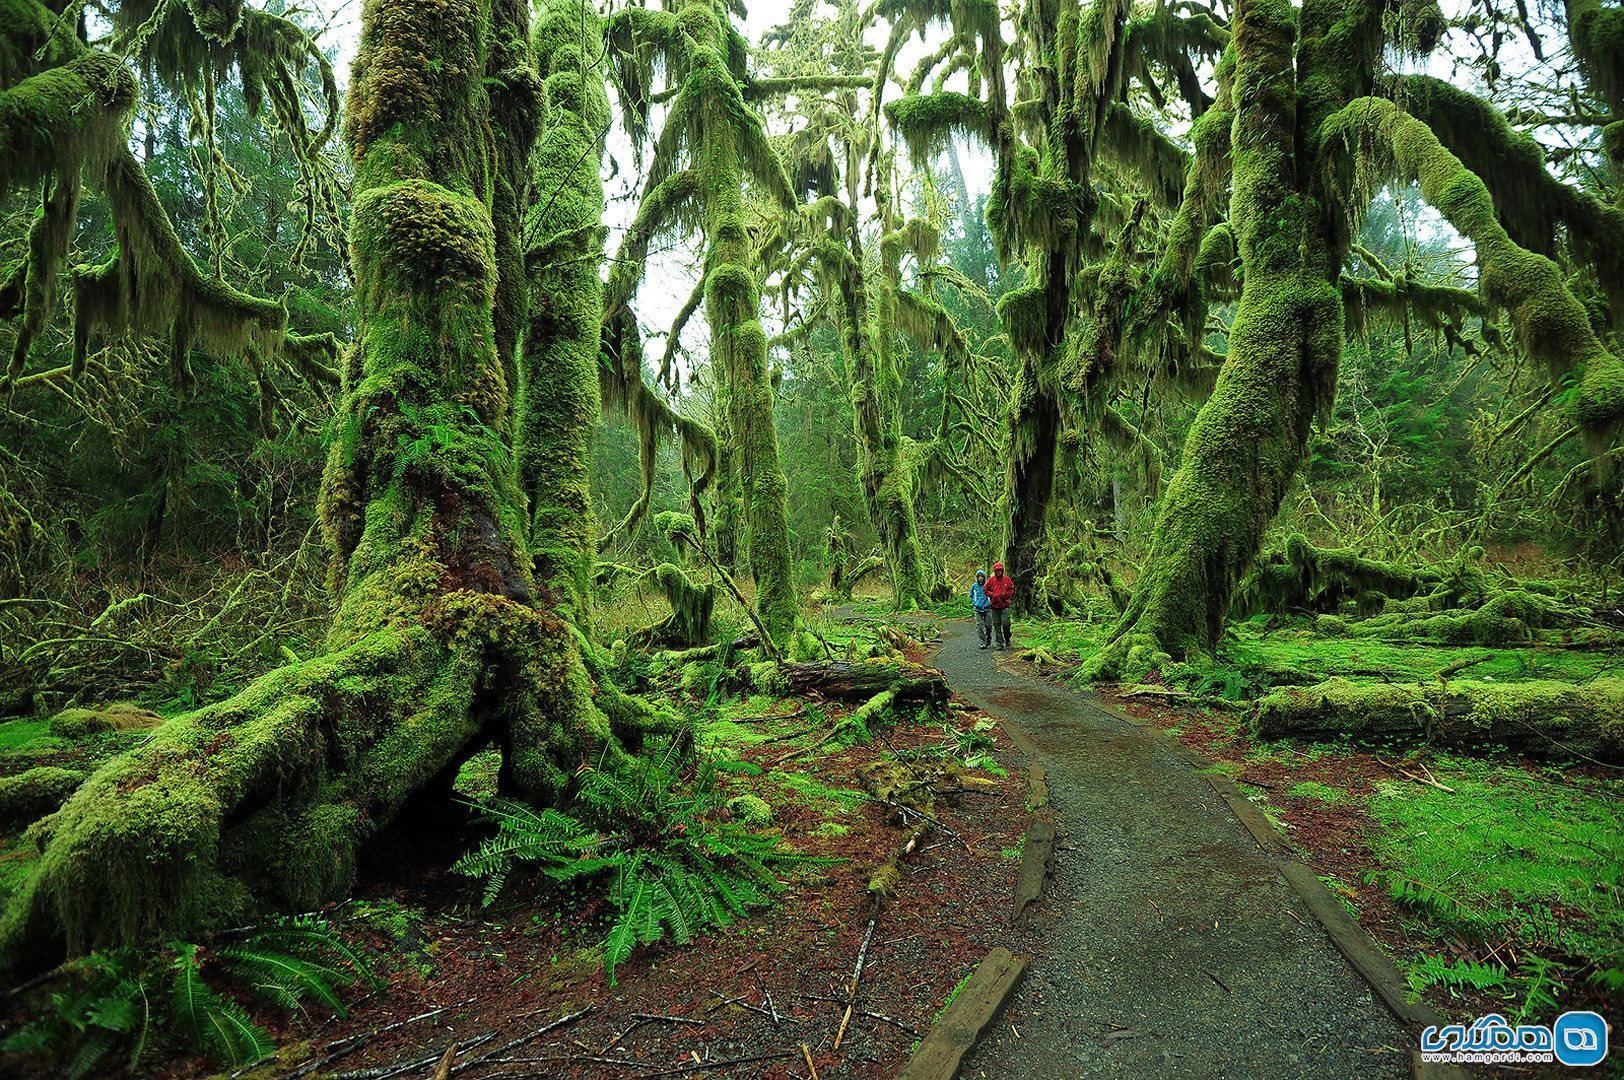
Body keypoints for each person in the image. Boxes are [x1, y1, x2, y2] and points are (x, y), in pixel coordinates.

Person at [985, 561, 1015, 648]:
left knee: (1006, 623)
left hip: (1004, 605)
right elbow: (986, 589)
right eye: (997, 570)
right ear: (995, 571)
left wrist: (1006, 595)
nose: (999, 572)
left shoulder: (1007, 579)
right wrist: (991, 594)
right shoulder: (991, 580)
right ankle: (1000, 643)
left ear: (1002, 570)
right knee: (997, 625)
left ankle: (1007, 637)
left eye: (1000, 570)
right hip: (994, 606)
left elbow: (1011, 589)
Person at [970, 569, 992, 648]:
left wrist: (990, 602)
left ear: (984, 577)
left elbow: (992, 594)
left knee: (988, 625)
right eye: (978, 576)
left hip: (987, 608)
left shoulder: (988, 585)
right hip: (977, 609)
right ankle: (982, 642)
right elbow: (971, 595)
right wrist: (974, 603)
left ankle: (988, 637)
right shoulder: (974, 586)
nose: (980, 578)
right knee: (979, 626)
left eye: (981, 576)